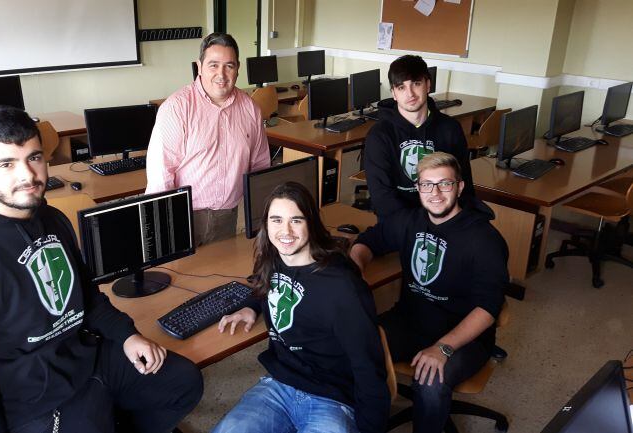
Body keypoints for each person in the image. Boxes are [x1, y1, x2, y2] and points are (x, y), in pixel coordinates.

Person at [0, 106, 203, 433]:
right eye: (7, 164)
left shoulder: (50, 218)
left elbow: (85, 296)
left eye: (34, 157)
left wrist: (127, 336)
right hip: (33, 399)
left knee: (183, 382)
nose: (27, 175)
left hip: (85, 359)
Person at [212, 182, 391, 433]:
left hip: (332, 396)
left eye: (296, 220)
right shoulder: (272, 258)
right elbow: (261, 283)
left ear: (311, 224)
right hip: (280, 384)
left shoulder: (342, 287)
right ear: (266, 225)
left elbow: (368, 366)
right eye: (276, 220)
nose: (285, 231)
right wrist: (251, 307)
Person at [350, 152, 507, 433]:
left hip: (463, 337)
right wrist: (356, 269)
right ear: (418, 188)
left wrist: (442, 348)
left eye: (444, 184)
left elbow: (488, 309)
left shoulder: (484, 239)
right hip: (409, 321)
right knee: (356, 349)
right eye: (426, 185)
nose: (434, 193)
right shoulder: (410, 220)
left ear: (459, 187)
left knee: (430, 383)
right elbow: (368, 241)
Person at [145, 32, 270, 246]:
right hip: (184, 216)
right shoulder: (177, 108)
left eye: (229, 66)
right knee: (182, 276)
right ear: (199, 66)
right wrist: (163, 228)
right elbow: (161, 175)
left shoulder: (250, 108)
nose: (221, 74)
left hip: (228, 215)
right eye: (213, 65)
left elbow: (260, 165)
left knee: (220, 273)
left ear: (237, 68)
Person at [364, 54, 475, 218]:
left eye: (416, 84)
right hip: (400, 223)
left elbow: (463, 185)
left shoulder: (450, 128)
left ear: (428, 85)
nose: (410, 94)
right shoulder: (379, 135)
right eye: (401, 87)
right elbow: (382, 198)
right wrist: (419, 228)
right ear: (393, 93)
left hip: (444, 219)